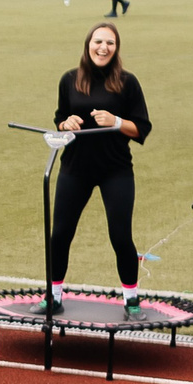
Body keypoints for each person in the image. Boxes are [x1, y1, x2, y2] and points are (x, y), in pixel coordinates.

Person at [47, 23, 150, 319]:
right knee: (61, 235)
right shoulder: (70, 79)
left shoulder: (127, 83)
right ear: (88, 44)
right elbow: (59, 118)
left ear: (116, 49)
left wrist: (115, 121)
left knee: (120, 236)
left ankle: (131, 300)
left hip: (115, 170)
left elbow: (141, 128)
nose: (103, 48)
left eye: (110, 43)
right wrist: (65, 125)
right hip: (74, 168)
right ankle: (53, 296)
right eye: (98, 41)